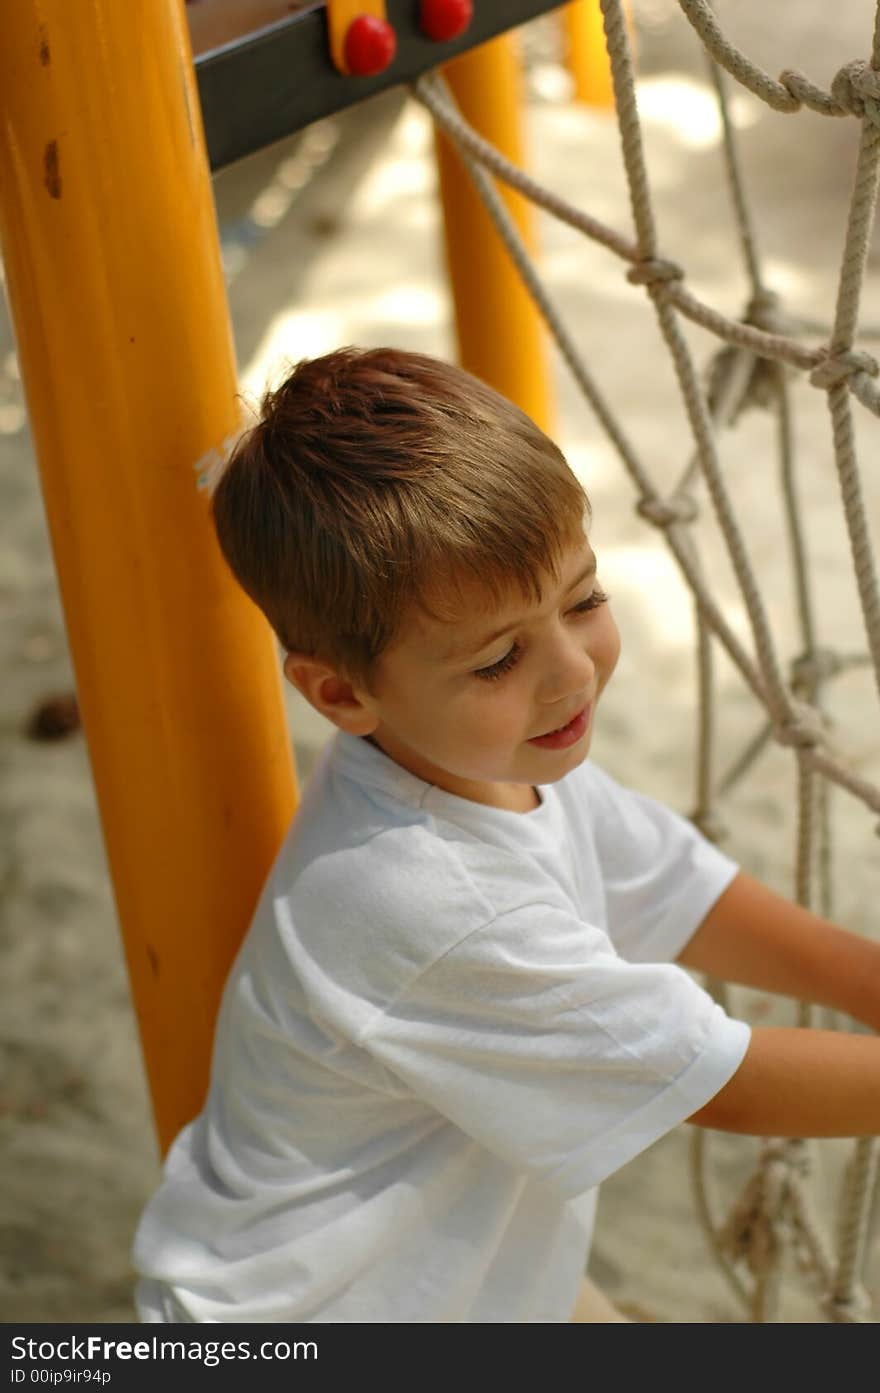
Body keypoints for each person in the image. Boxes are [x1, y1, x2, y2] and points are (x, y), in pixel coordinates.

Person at [132, 347, 880, 1324]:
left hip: (451, 1272)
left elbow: (678, 891)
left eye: (583, 600)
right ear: (341, 692)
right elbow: (723, 1083)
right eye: (498, 658)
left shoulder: (488, 763)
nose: (571, 671)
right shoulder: (423, 898)